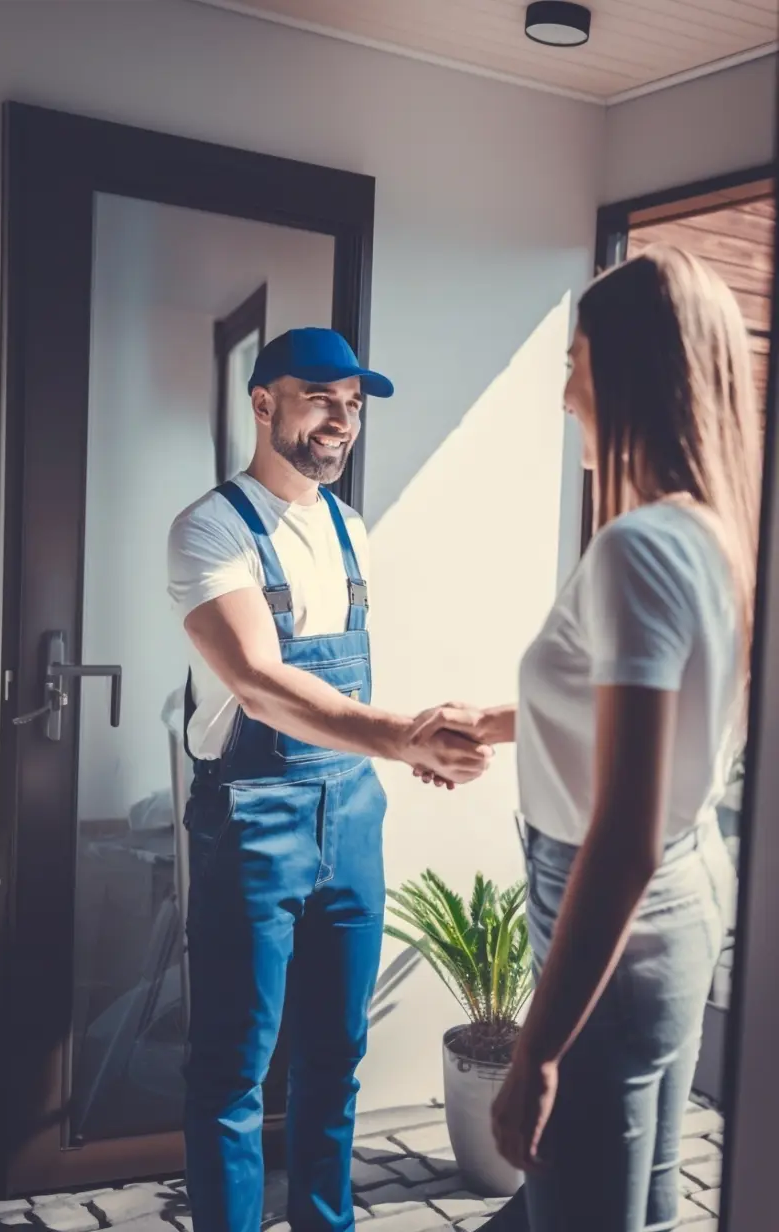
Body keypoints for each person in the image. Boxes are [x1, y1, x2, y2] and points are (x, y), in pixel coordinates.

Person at [417, 245, 760, 1232]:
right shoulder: (709, 534)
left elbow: (624, 833)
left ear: (627, 370)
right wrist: (491, 721)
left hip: (613, 911)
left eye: (574, 363)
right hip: (679, 905)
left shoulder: (634, 548)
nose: (565, 393)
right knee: (636, 1205)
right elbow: (642, 717)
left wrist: (537, 1052)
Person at [166, 326, 493, 1232]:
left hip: (352, 815)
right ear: (262, 403)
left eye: (352, 404)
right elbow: (260, 682)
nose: (342, 420)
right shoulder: (209, 529)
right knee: (233, 1069)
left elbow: (339, 692)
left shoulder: (350, 528)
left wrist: (404, 749)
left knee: (335, 1057)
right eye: (320, 399)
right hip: (251, 821)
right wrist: (403, 738)